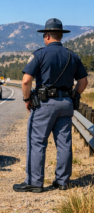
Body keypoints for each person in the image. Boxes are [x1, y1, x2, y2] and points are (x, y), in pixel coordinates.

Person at [13, 18, 88, 193]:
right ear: (61, 36)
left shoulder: (39, 54)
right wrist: (74, 95)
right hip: (66, 103)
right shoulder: (72, 56)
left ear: (47, 36)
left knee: (37, 141)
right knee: (64, 143)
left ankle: (34, 182)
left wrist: (27, 100)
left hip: (45, 104)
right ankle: (62, 181)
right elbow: (83, 82)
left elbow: (26, 81)